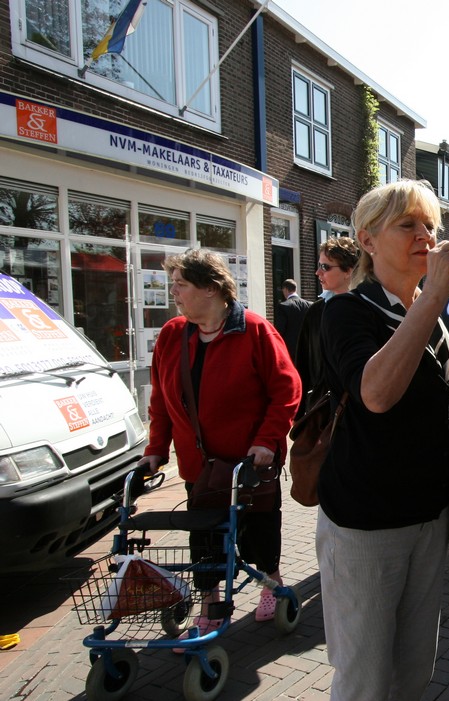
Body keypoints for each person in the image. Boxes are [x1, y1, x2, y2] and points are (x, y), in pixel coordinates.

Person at [316, 179, 449, 701]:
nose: (425, 236)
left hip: (428, 515)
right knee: (366, 678)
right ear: (368, 240)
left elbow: (431, 403)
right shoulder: (347, 311)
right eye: (407, 225)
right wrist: (437, 294)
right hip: (367, 521)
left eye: (429, 225)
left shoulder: (432, 318)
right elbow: (376, 394)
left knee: (414, 671)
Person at [137, 249, 301, 635]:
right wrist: (156, 450)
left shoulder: (255, 330)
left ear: (210, 288)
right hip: (200, 466)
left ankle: (271, 583)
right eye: (173, 284)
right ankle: (211, 599)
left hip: (250, 465)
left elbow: (287, 389)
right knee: (205, 535)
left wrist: (266, 441)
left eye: (181, 284)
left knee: (259, 529)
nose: (173, 292)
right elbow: (161, 400)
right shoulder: (172, 334)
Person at [293, 236, 358, 416]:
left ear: (348, 271)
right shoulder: (316, 312)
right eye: (319, 266)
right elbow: (302, 365)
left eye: (325, 267)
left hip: (357, 412)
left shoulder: (366, 311)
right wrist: (299, 413)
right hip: (321, 411)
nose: (317, 272)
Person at [274, 278, 311, 360]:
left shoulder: (283, 306)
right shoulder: (310, 305)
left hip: (290, 349)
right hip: (307, 347)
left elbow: (280, 330)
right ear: (295, 289)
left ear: (285, 289)